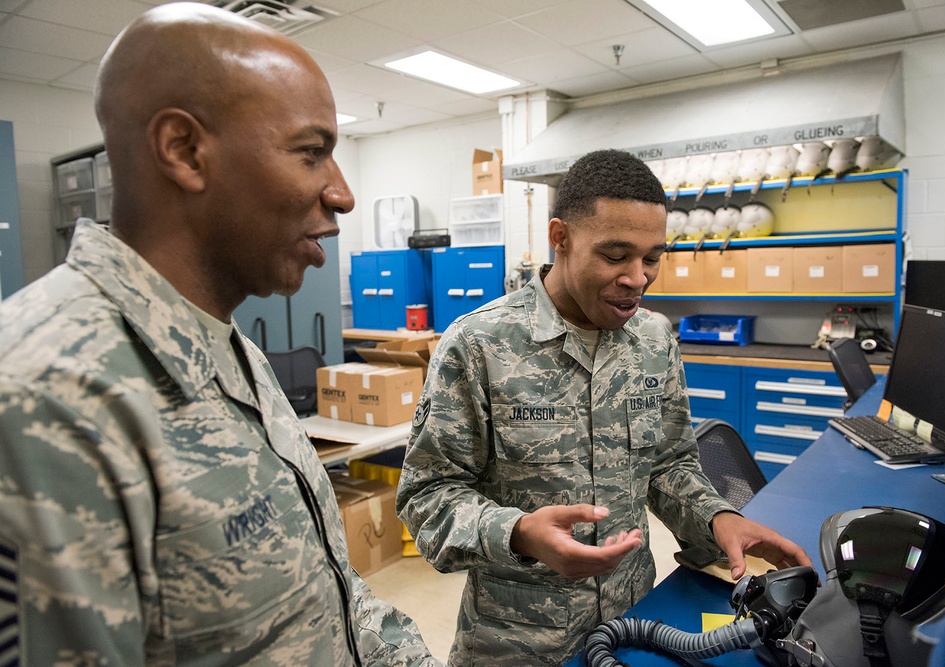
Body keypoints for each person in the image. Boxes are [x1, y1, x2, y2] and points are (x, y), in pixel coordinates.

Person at [0, 3, 441, 665]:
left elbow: (329, 596)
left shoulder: (225, 348)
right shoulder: (44, 396)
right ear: (185, 151)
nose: (343, 194)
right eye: (310, 152)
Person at [396, 149, 812, 665]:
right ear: (560, 238)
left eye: (653, 258)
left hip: (633, 623)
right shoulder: (477, 344)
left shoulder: (654, 339)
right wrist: (519, 532)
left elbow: (669, 465)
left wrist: (717, 518)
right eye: (615, 256)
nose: (637, 278)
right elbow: (426, 497)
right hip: (516, 643)